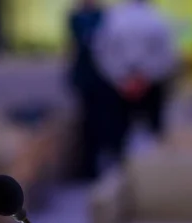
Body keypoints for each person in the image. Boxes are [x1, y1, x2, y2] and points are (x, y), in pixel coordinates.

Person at [93, 0, 178, 161]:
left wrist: (125, 79)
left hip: (136, 84)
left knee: (144, 133)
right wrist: (135, 79)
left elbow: (101, 52)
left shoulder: (113, 18)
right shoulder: (157, 19)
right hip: (135, 85)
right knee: (124, 133)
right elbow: (168, 55)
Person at [67, 0, 110, 180]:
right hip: (85, 78)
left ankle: (103, 167)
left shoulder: (104, 16)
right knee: (86, 125)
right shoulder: (75, 17)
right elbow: (75, 45)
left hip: (103, 78)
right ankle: (88, 168)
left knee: (104, 123)